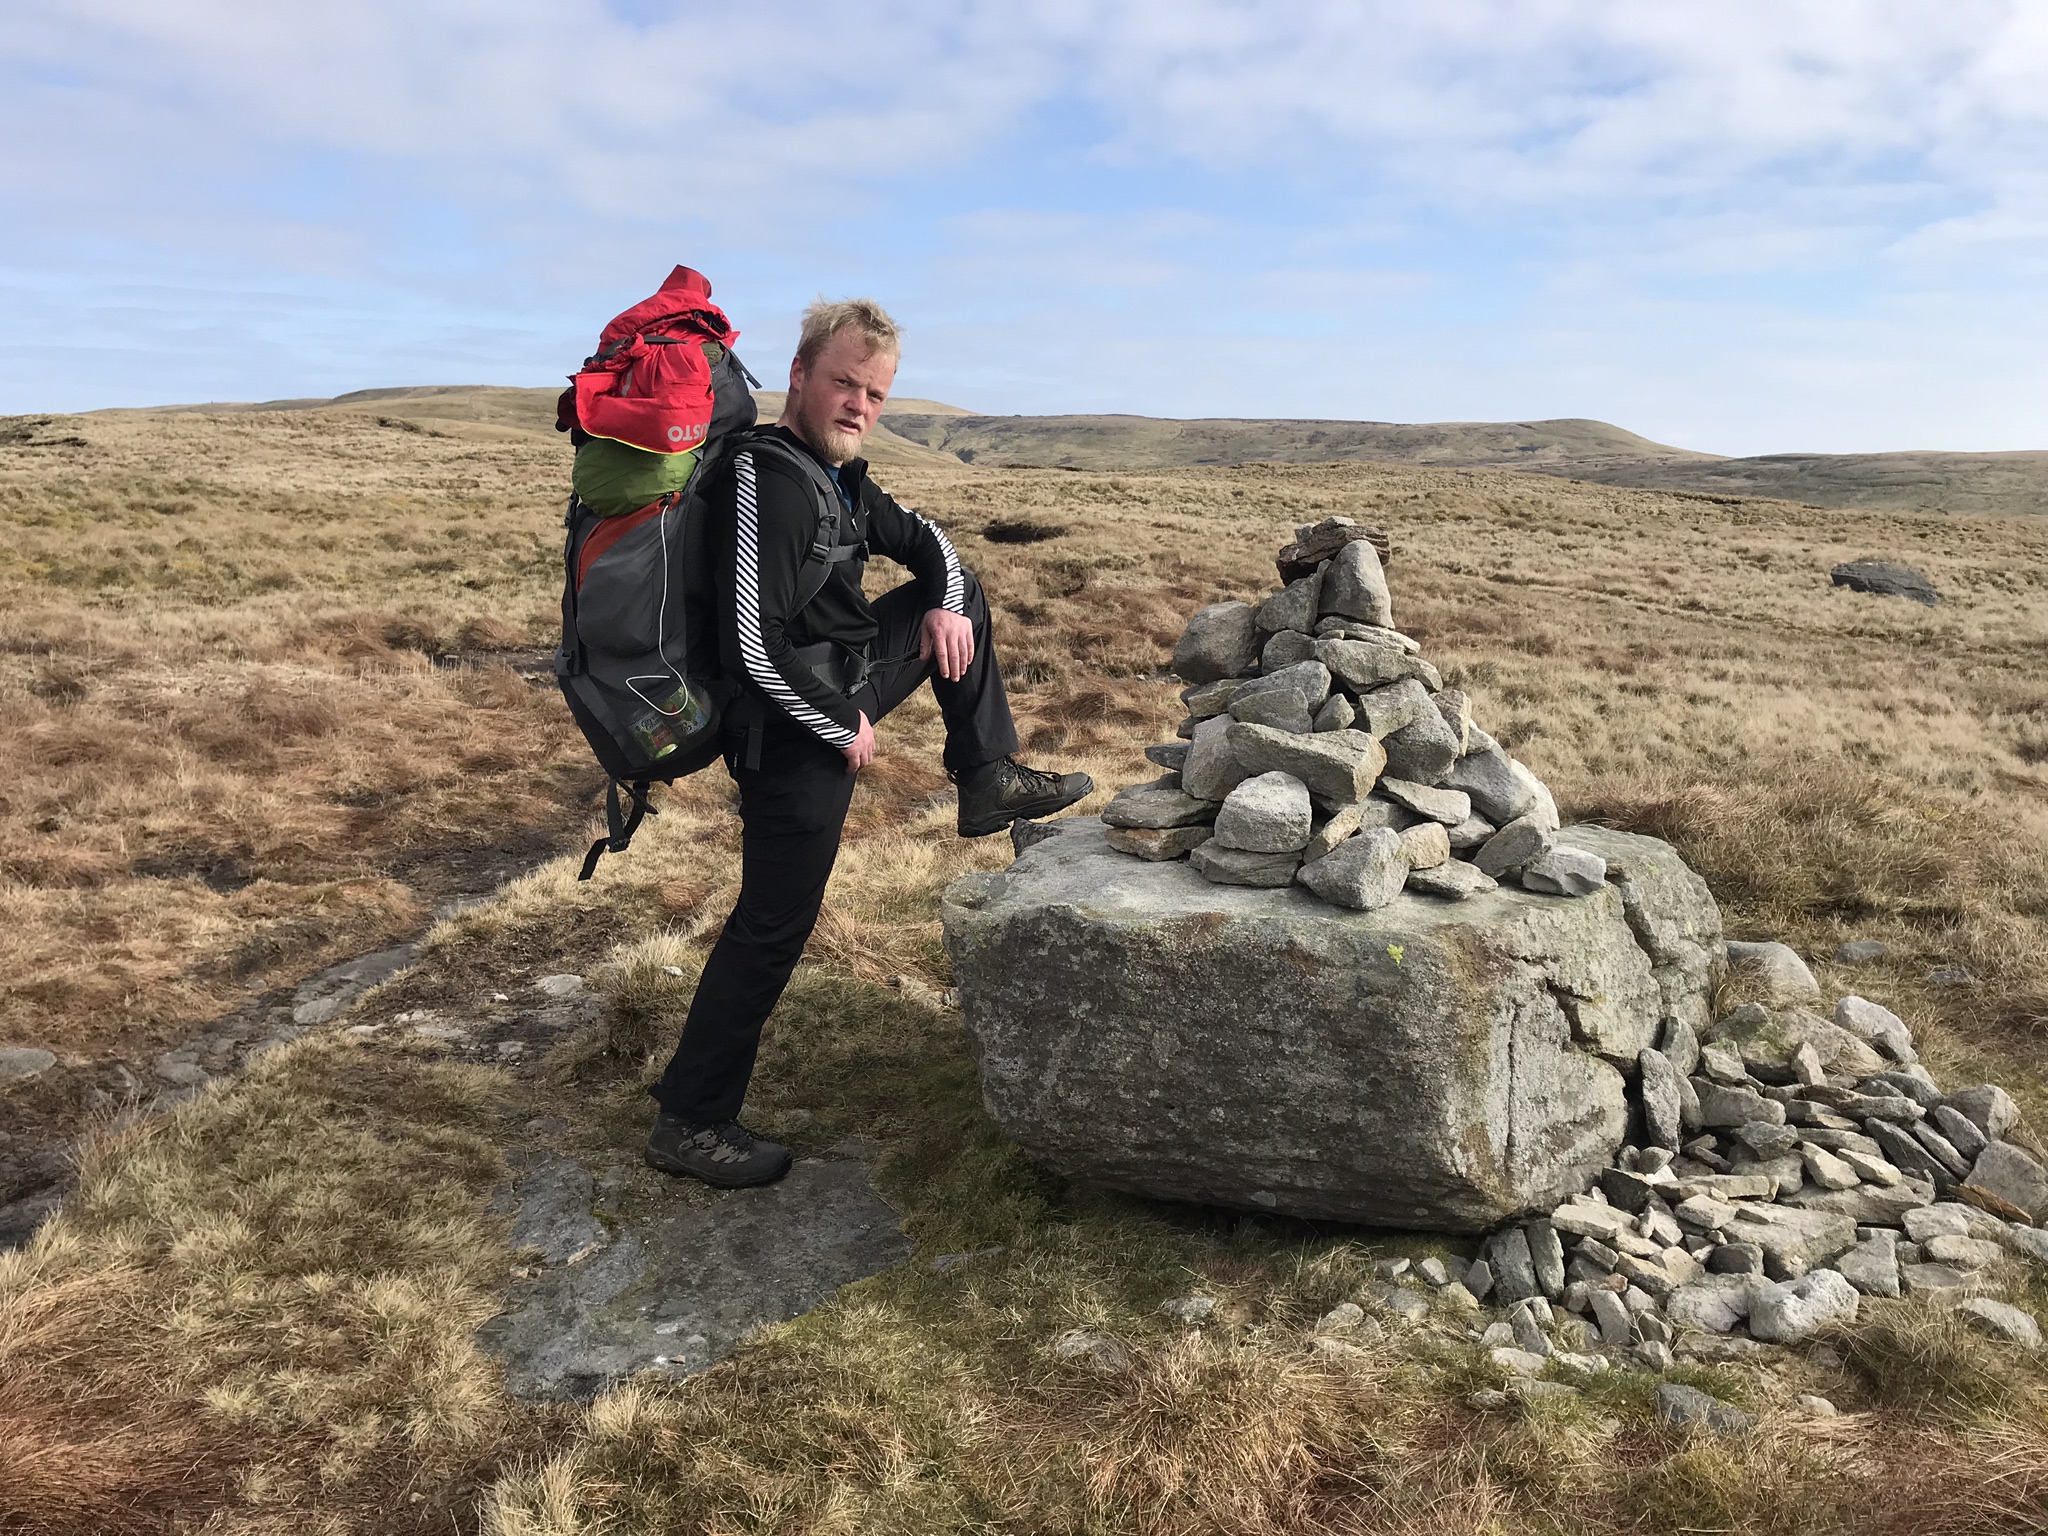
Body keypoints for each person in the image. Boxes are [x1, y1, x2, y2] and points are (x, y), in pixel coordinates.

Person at [644, 298, 1093, 1189]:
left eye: (876, 394)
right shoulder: (765, 479)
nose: (858, 405)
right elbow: (751, 644)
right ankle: (689, 1120)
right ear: (799, 375)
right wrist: (836, 724)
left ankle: (985, 775)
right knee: (773, 926)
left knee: (961, 598)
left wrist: (945, 605)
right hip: (786, 731)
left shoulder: (840, 476)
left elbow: (930, 544)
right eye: (844, 383)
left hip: (843, 681)